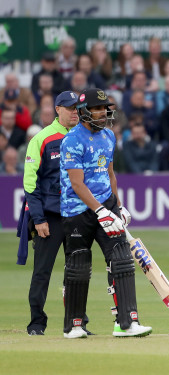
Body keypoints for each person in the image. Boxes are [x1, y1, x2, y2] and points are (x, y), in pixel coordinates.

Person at [59, 88, 152, 338]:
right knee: (79, 264)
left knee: (121, 259)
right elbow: (77, 184)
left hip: (106, 206)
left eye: (104, 108)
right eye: (97, 109)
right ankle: (74, 325)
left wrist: (117, 207)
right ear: (83, 111)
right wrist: (100, 211)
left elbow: (109, 174)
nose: (102, 113)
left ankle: (127, 323)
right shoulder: (71, 140)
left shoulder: (109, 136)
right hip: (78, 210)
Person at [17, 91, 91, 336]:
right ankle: (37, 323)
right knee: (42, 272)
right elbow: (30, 184)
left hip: (77, 216)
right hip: (50, 217)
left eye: (76, 108)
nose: (74, 112)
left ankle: (77, 323)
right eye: (69, 108)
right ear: (57, 109)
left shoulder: (85, 136)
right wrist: (38, 219)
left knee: (77, 272)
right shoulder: (42, 138)